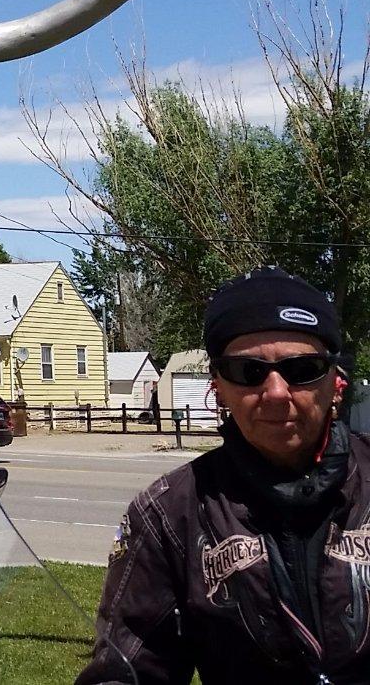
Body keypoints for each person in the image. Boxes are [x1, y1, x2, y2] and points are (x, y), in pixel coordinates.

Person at [79, 266, 367, 684]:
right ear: (218, 385)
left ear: (335, 382)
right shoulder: (169, 513)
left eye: (302, 369)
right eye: (248, 372)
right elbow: (128, 669)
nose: (275, 393)